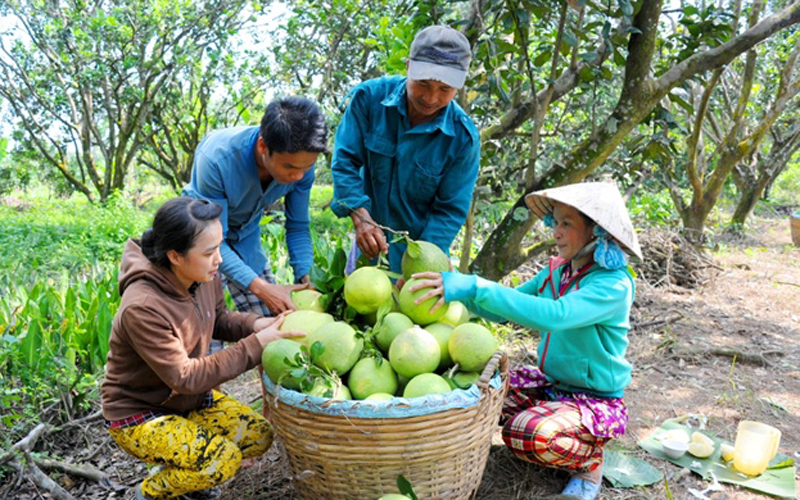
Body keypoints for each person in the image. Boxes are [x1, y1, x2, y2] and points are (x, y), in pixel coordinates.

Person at [411, 182, 643, 500]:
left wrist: (476, 286)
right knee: (478, 396)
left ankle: (590, 463)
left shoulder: (613, 285)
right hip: (552, 384)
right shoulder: (556, 272)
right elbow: (505, 311)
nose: (556, 232)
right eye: (555, 222)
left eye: (567, 224)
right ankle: (557, 425)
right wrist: (457, 289)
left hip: (594, 400)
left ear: (596, 232)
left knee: (524, 433)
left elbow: (555, 315)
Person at [101, 197, 303, 500]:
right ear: (175, 256)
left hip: (185, 403)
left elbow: (217, 317)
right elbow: (184, 377)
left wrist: (255, 325)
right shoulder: (142, 307)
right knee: (223, 460)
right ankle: (149, 493)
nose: (219, 259)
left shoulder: (202, 274)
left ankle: (189, 478)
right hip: (141, 416)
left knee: (258, 436)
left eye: (219, 247)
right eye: (209, 252)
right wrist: (256, 345)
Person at [330, 25, 481, 274]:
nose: (431, 98)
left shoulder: (463, 139)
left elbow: (449, 210)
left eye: (445, 89)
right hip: (367, 245)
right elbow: (344, 161)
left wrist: (421, 263)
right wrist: (361, 217)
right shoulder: (369, 99)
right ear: (408, 66)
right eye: (423, 83)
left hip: (422, 256)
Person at [183, 96, 328, 317]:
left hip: (245, 239)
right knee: (203, 328)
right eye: (289, 166)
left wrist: (306, 277)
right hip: (200, 241)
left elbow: (297, 226)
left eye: (306, 167)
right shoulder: (217, 159)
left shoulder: (301, 169)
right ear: (263, 146)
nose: (298, 175)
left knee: (273, 319)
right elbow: (213, 240)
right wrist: (261, 288)